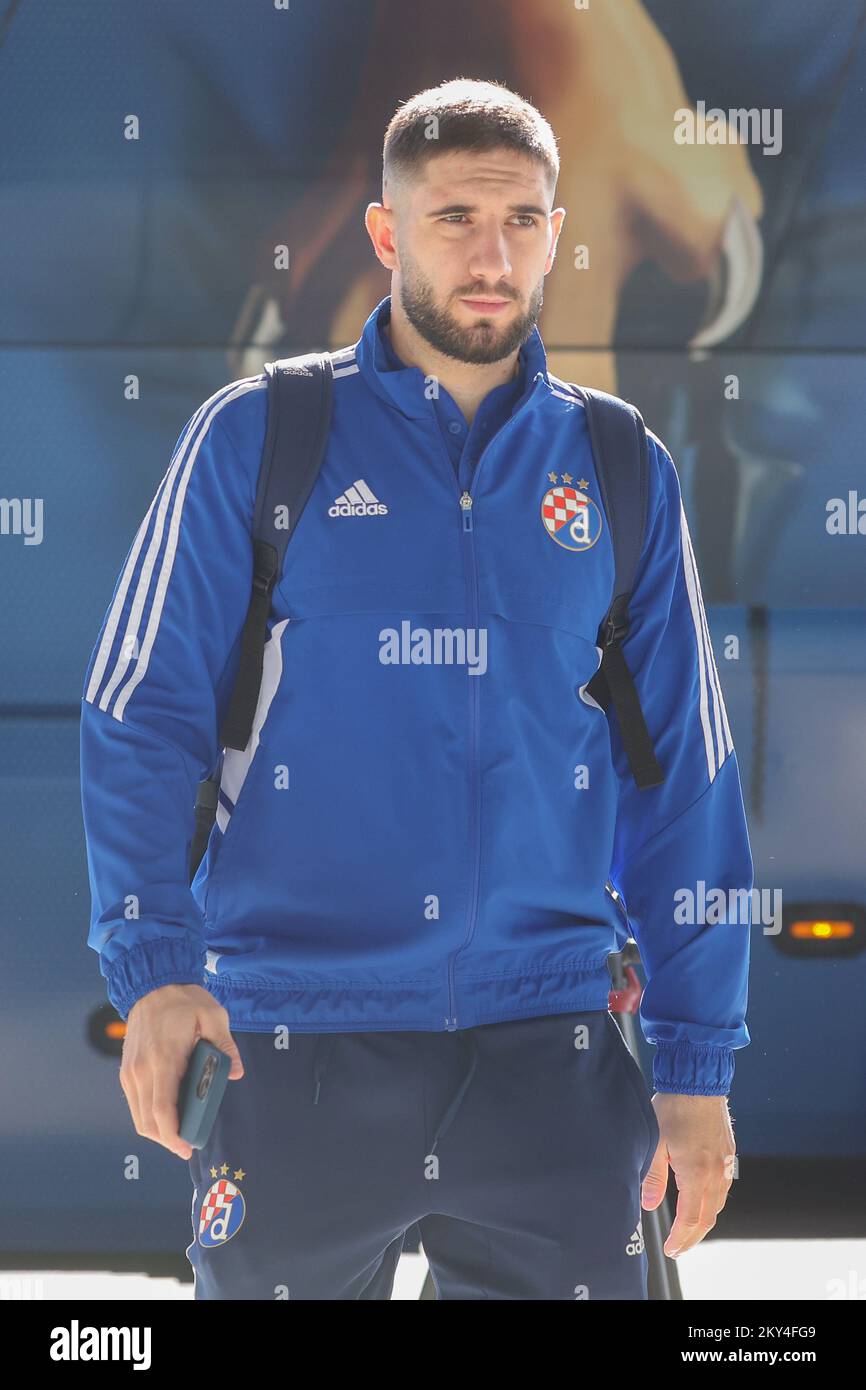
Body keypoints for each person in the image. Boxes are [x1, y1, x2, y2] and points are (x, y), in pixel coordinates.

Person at [80, 79, 753, 1300]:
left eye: (521, 221)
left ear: (555, 232)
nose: (491, 257)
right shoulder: (257, 440)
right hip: (296, 1037)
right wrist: (157, 969)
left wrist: (694, 1065)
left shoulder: (616, 467)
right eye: (453, 219)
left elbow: (686, 784)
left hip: (549, 1047)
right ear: (387, 236)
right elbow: (142, 715)